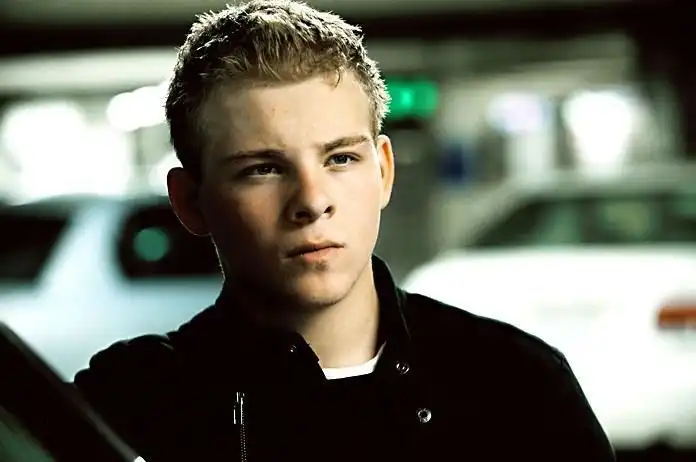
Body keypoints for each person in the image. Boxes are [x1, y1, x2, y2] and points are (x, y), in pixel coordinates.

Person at [73, 1, 616, 461]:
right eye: (263, 168)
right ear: (191, 202)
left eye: (340, 159)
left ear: (384, 172)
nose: (312, 202)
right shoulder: (132, 404)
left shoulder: (516, 386)